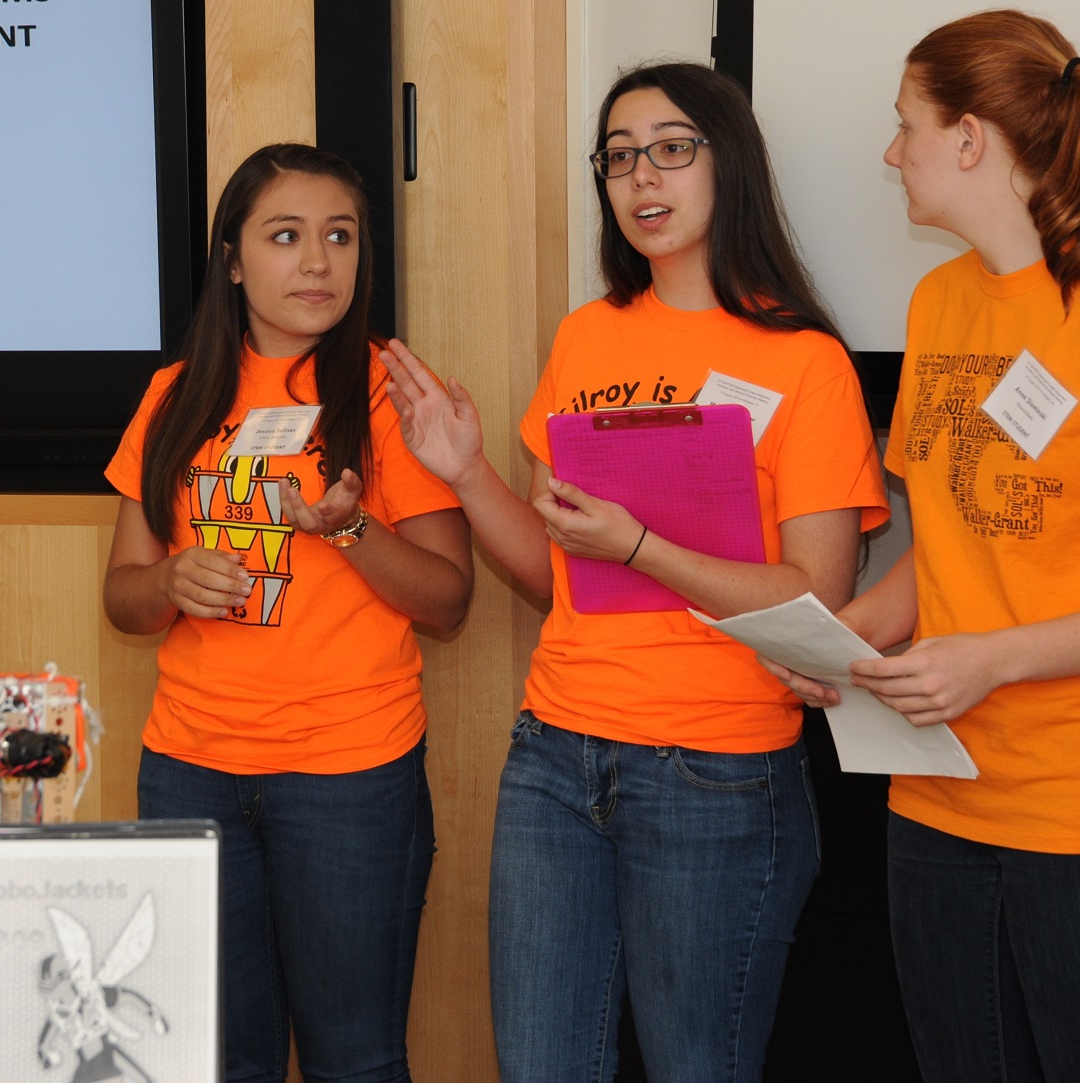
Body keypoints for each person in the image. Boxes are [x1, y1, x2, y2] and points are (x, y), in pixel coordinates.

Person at [762, 11, 1080, 1081]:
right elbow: (944, 551)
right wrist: (836, 639)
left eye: (907, 126)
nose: (893, 153)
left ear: (973, 138)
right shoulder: (940, 303)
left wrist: (994, 657)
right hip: (936, 798)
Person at [383, 62, 887, 1080]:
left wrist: (644, 549)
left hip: (715, 773)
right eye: (618, 158)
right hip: (555, 757)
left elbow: (818, 593)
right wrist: (469, 473)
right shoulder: (587, 334)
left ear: (724, 162)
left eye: (670, 148)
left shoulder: (804, 361)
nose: (640, 177)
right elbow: (551, 568)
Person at [102, 143, 473, 1083]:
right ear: (233, 259)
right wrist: (173, 579)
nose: (318, 261)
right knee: (223, 1058)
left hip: (348, 776)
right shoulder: (173, 396)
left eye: (340, 236)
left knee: (354, 1058)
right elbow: (124, 595)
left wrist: (351, 533)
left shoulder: (390, 392)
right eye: (286, 236)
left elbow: (449, 596)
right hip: (190, 771)